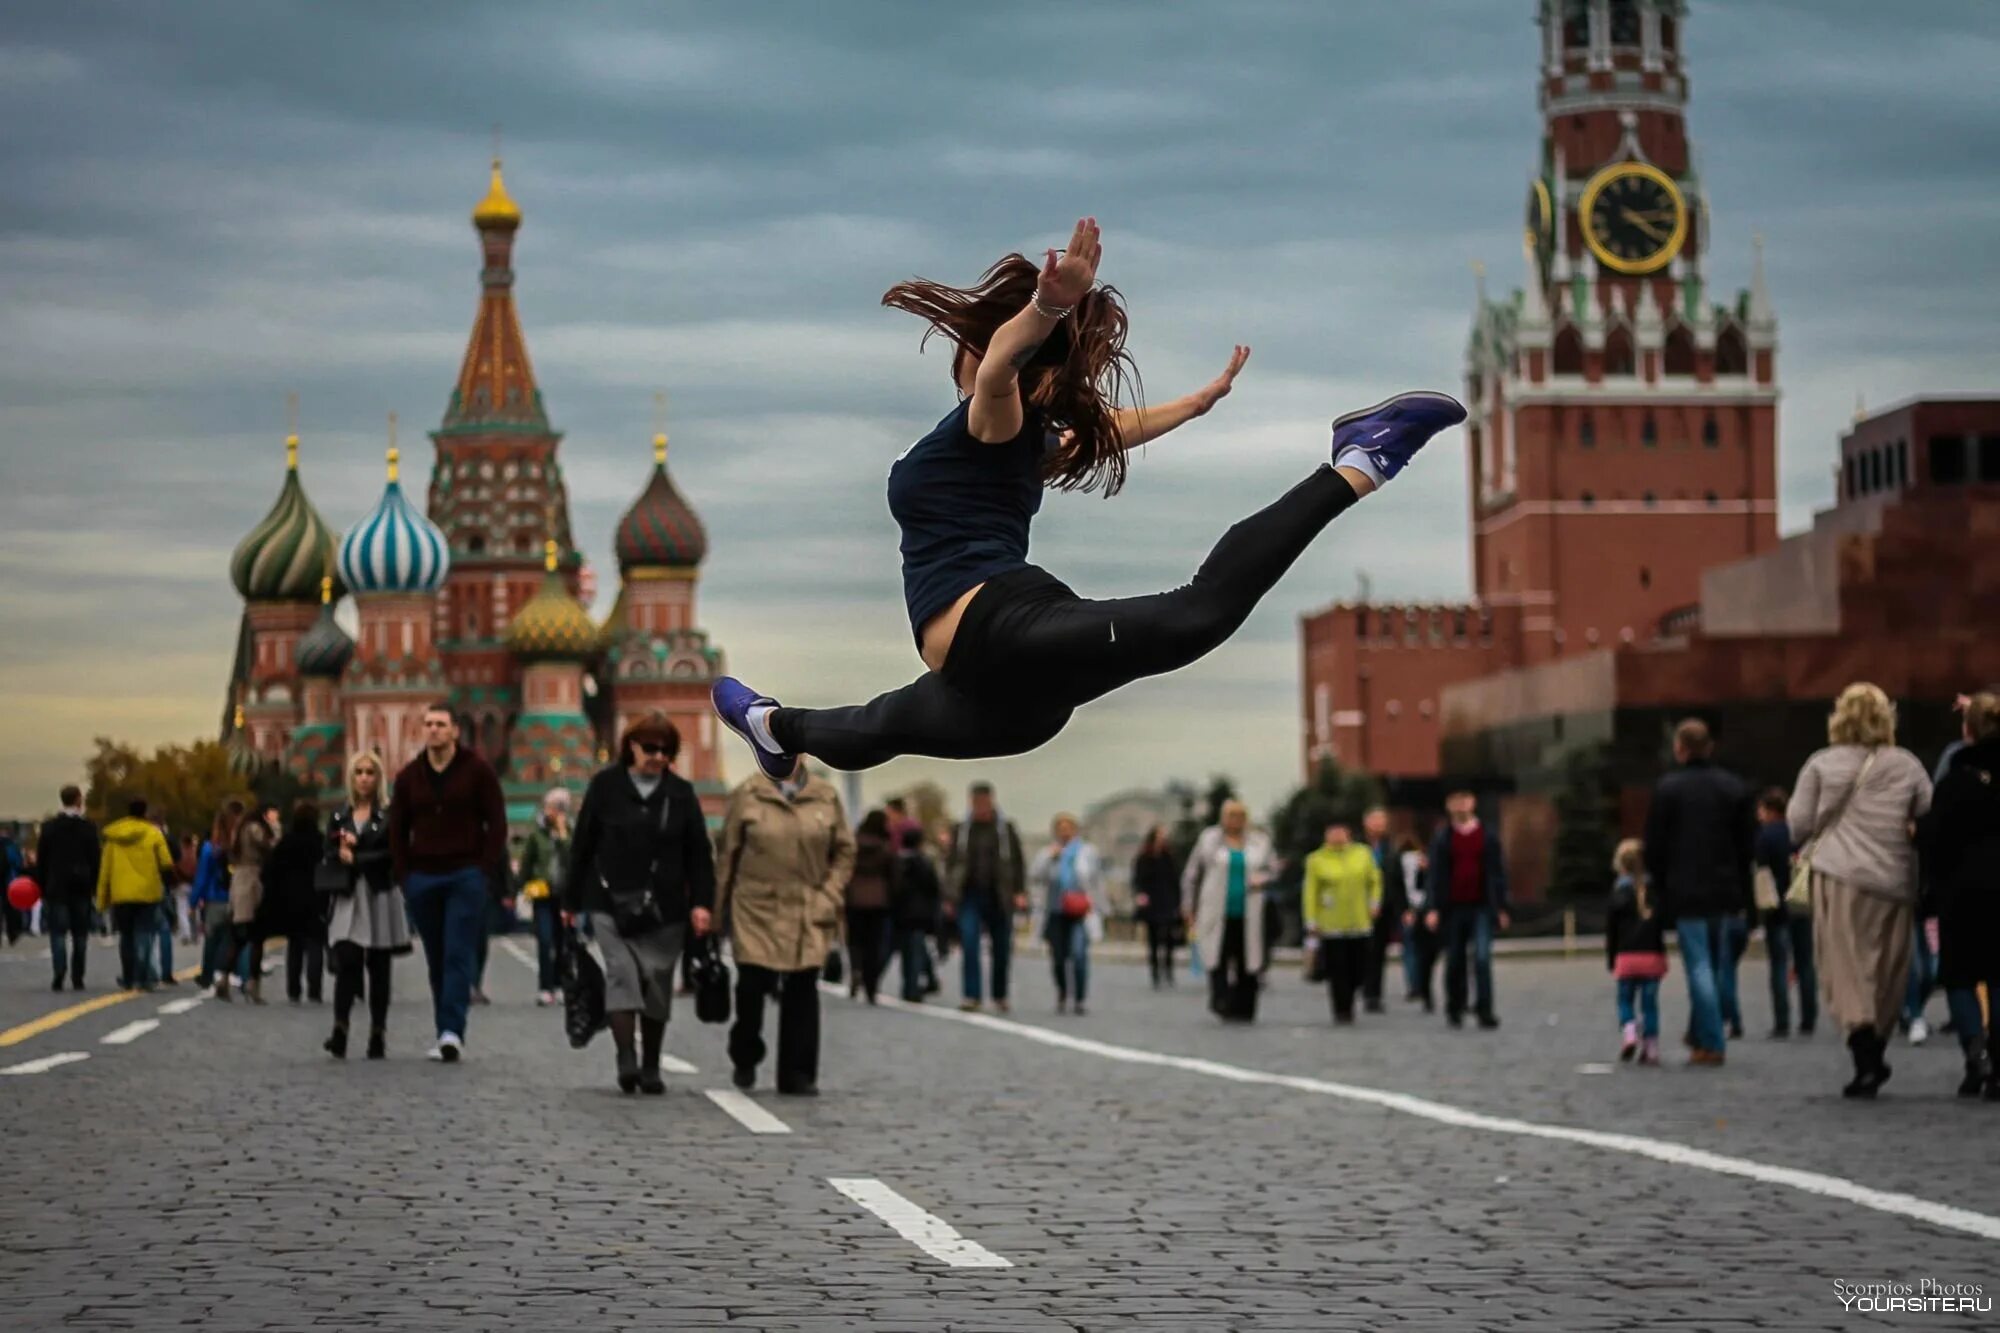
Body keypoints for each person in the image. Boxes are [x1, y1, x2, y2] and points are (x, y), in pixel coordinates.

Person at [709, 218, 1465, 779]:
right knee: (876, 731)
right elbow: (1103, 433)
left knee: (1194, 614)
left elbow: (1006, 371)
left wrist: (1044, 308)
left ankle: (1359, 459)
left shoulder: (993, 417)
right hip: (1004, 696)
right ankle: (772, 726)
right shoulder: (1021, 441)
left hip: (1004, 628)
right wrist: (1189, 407)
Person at [1788, 682, 1933, 1098]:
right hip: (1894, 878)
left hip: (1841, 876)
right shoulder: (1906, 765)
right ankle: (1877, 1038)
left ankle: (1864, 1049)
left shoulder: (1821, 764)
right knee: (1888, 966)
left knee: (1845, 966)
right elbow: (1927, 814)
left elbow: (1797, 825)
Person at [566, 715, 716, 1095]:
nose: (658, 757)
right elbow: (583, 843)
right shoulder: (605, 787)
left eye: (666, 751)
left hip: (664, 909)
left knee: (657, 985)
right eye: (650, 748)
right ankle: (625, 1057)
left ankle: (652, 1064)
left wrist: (702, 903)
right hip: (609, 902)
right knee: (621, 974)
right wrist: (570, 899)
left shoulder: (680, 793)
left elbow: (699, 853)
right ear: (630, 746)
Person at [716, 758, 855, 1095]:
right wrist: (716, 910)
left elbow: (845, 851)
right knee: (751, 987)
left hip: (808, 904)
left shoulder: (825, 796)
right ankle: (745, 1053)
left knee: (803, 987)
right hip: (756, 905)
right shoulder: (748, 794)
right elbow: (728, 854)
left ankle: (798, 1074)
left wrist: (831, 893)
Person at [389, 702, 509, 1063]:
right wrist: (405, 876)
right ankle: (444, 1026)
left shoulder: (477, 771)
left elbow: (497, 822)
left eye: (440, 724)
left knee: (458, 951)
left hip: (464, 874)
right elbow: (397, 829)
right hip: (423, 878)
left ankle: (451, 1031)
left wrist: (483, 868)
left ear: (456, 730)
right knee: (437, 956)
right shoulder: (410, 777)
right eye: (428, 724)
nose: (434, 730)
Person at [1642, 719, 1754, 1066]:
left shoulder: (1668, 789)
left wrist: (1658, 887)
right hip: (1725, 890)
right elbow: (1746, 845)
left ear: (1680, 748)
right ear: (1710, 747)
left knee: (1699, 967)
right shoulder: (1733, 788)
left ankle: (1713, 1041)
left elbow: (1655, 847)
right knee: (1719, 968)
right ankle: (1703, 1036)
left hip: (1685, 890)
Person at [1919, 692, 2000, 1099]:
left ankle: (1975, 1054)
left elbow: (1935, 840)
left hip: (1963, 893)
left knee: (1961, 977)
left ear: (1967, 731)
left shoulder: (1954, 781)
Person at [323, 750, 408, 1060]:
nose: (363, 778)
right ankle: (340, 1029)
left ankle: (377, 1033)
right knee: (347, 961)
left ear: (378, 778)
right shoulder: (338, 815)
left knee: (379, 967)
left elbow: (394, 855)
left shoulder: (388, 815)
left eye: (370, 773)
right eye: (358, 772)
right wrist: (339, 855)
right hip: (347, 896)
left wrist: (357, 857)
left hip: (379, 894)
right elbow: (327, 853)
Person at [1184, 800, 1276, 1023]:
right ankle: (1221, 1000)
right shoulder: (1209, 840)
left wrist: (1261, 879)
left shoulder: (1259, 841)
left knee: (1248, 960)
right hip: (1217, 910)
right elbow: (1192, 874)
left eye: (1239, 816)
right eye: (1230, 816)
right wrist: (1188, 906)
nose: (1234, 821)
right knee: (1218, 957)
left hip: (1250, 910)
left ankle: (1245, 1006)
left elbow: (1273, 869)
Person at [1425, 792, 1510, 1030]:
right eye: (1455, 802)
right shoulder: (1443, 838)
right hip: (1452, 907)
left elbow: (1498, 872)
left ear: (1473, 803)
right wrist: (1433, 908)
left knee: (1482, 958)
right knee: (1455, 960)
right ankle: (1455, 1006)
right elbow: (1436, 876)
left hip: (1482, 905)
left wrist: (1501, 907)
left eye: (1465, 801)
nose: (1460, 806)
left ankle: (1485, 1009)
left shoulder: (1487, 836)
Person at [943, 781, 1026, 1013]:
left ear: (991, 800)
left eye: (984, 801)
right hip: (969, 895)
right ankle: (972, 995)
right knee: (969, 944)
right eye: (976, 802)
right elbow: (950, 864)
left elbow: (1018, 863)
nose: (980, 806)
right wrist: (949, 896)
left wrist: (1020, 891)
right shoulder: (961, 830)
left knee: (1001, 949)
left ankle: (1000, 994)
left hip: (1000, 896)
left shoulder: (1005, 830)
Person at [1302, 821, 1382, 1025]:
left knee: (1358, 967)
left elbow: (1375, 880)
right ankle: (1341, 1009)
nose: (1337, 836)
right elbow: (1310, 891)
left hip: (1359, 920)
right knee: (1337, 969)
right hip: (1331, 923)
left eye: (1340, 832)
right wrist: (1311, 920)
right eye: (1332, 832)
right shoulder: (1316, 859)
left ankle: (1353, 992)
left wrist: (1374, 902)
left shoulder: (1362, 854)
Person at [1753, 788, 1815, 1039]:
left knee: (1779, 965)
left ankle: (1782, 1021)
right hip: (1800, 902)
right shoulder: (1797, 834)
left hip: (1776, 906)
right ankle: (1808, 1018)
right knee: (1805, 963)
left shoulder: (1764, 836)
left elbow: (1761, 871)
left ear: (1769, 810)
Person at [95, 797, 174, 993]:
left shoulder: (113, 837)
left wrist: (102, 898)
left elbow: (105, 869)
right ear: (145, 812)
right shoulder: (153, 834)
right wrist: (166, 885)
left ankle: (128, 977)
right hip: (148, 891)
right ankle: (144, 977)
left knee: (126, 936)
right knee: (144, 934)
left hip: (121, 893)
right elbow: (166, 863)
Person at [1031, 813, 1106, 1015]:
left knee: (1079, 954)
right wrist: (1051, 859)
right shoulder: (1047, 853)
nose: (1064, 833)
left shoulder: (1087, 852)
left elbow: (1096, 881)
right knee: (1058, 958)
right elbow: (1036, 876)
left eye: (1068, 828)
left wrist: (1099, 906)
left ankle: (1080, 998)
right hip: (1055, 912)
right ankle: (1063, 991)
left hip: (1080, 913)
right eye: (1060, 829)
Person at [1606, 838, 1667, 1066]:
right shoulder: (1653, 894)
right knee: (1650, 1004)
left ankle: (1630, 1031)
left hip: (1626, 958)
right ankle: (1651, 1048)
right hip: (1651, 958)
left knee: (1625, 1000)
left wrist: (1612, 959)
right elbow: (1660, 927)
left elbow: (1611, 933)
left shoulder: (1617, 896)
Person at [33, 786, 99, 992]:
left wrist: (42, 886)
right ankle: (77, 976)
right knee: (80, 934)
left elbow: (41, 860)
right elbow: (95, 859)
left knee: (58, 933)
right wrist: (94, 885)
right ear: (78, 800)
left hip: (56, 886)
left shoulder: (49, 827)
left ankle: (59, 971)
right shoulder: (88, 828)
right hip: (81, 886)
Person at [265, 801, 327, 1004]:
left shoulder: (287, 841)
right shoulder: (320, 842)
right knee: (315, 944)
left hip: (290, 899)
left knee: (295, 946)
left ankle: (293, 989)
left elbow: (273, 870)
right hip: (316, 897)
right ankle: (314, 990)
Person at [515, 787, 573, 1007]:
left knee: (562, 942)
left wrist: (563, 836)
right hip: (542, 894)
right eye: (551, 807)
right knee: (545, 939)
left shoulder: (570, 830)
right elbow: (527, 863)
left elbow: (573, 860)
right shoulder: (536, 833)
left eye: (559, 808)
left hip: (564, 895)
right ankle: (544, 986)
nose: (554, 812)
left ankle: (559, 984)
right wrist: (519, 889)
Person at [844, 809, 897, 1005]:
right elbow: (894, 875)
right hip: (878, 900)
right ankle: (871, 985)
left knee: (855, 941)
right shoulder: (885, 847)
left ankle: (856, 969)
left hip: (854, 898)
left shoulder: (852, 844)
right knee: (874, 945)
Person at [191, 802, 243, 997]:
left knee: (212, 939)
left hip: (214, 898)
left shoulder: (210, 847)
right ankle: (236, 974)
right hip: (236, 896)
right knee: (233, 938)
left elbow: (202, 876)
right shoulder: (239, 845)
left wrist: (194, 901)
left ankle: (208, 975)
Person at [228, 804, 278, 1003]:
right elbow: (267, 846)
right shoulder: (255, 829)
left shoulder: (238, 830)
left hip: (239, 878)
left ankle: (224, 977)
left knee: (238, 933)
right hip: (253, 880)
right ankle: (253, 984)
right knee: (256, 934)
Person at [890, 824, 943, 1002]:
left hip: (901, 913)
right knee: (915, 950)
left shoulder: (897, 862)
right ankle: (913, 987)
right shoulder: (923, 862)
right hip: (919, 914)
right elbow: (934, 888)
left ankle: (912, 985)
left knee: (909, 951)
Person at [1358, 807, 1401, 1015]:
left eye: (1381, 821)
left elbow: (1397, 879)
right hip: (1358, 907)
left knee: (1378, 952)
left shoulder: (1390, 848)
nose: (1378, 825)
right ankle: (1360, 985)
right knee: (1360, 951)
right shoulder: (1357, 847)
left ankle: (1373, 994)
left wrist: (1404, 909)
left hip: (1384, 908)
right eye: (1374, 821)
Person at [1131, 824, 1182, 988]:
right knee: (1153, 939)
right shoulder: (1144, 857)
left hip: (1167, 900)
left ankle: (1168, 970)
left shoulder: (1169, 857)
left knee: (1168, 938)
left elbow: (1175, 880)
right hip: (1151, 902)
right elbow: (1138, 880)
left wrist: (1179, 901)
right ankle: (1155, 972)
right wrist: (1140, 895)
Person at [1397, 834, 1435, 1011]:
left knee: (1409, 948)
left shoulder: (1399, 861)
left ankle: (1414, 984)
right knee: (1422, 949)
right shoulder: (1422, 859)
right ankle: (1421, 984)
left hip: (1408, 907)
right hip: (1423, 908)